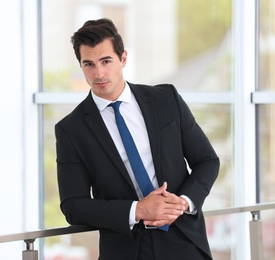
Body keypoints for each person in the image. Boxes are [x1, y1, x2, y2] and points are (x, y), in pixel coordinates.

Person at [55, 18, 220, 260]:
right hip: (126, 248)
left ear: (123, 59)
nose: (98, 73)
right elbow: (73, 205)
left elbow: (207, 160)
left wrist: (183, 203)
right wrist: (137, 210)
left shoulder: (166, 100)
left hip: (184, 240)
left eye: (106, 61)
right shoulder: (72, 129)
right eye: (88, 64)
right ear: (81, 66)